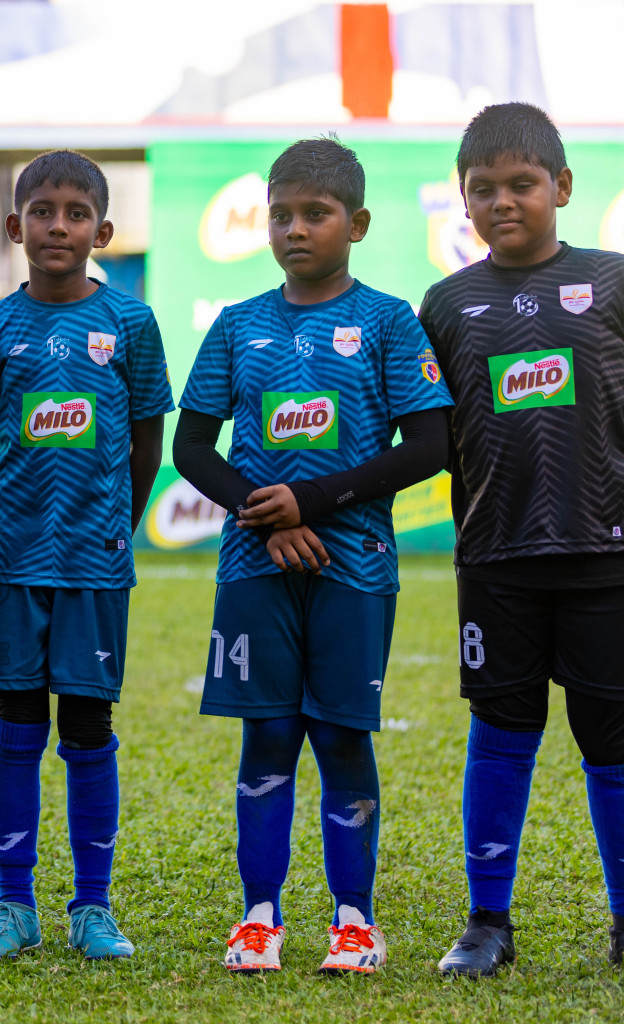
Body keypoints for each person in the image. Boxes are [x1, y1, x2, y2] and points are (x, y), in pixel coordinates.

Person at [172, 136, 452, 975]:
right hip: (256, 566)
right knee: (267, 733)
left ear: (356, 223)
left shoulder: (389, 322)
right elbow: (193, 449)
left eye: (316, 214)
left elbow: (430, 444)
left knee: (339, 737)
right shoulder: (237, 325)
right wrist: (266, 517)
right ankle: (259, 918)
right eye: (282, 213)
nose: (296, 229)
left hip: (355, 564)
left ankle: (354, 920)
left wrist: (316, 502)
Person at [418, 102, 624, 976]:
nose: (503, 202)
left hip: (606, 558)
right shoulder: (447, 303)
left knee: (612, 744)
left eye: (522, 185)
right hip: (496, 558)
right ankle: (487, 923)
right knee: (501, 735)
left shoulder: (613, 283)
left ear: (562, 187)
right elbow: (424, 433)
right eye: (483, 190)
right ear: (463, 202)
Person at [0, 150, 171, 961]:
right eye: (42, 211)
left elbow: (146, 436)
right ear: (15, 227)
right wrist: (14, 515)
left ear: (103, 230)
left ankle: (93, 907)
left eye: (75, 213)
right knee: (16, 726)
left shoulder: (130, 325)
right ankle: (14, 904)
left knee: (88, 728)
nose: (58, 225)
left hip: (94, 561)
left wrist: (116, 517)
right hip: (15, 562)